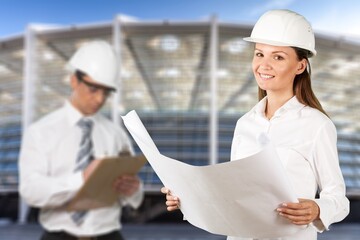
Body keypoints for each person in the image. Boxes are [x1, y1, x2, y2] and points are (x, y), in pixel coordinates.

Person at [161, 9, 349, 240]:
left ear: (300, 66)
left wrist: (318, 209)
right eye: (259, 54)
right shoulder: (244, 124)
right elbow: (232, 195)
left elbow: (339, 199)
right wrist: (186, 197)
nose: (264, 65)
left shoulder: (317, 124)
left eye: (278, 57)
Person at [19, 40, 144, 240]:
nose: (99, 100)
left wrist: (134, 191)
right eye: (93, 89)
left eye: (106, 92)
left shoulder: (116, 134)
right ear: (74, 81)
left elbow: (133, 193)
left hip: (109, 235)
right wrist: (82, 179)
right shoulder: (41, 131)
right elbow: (31, 191)